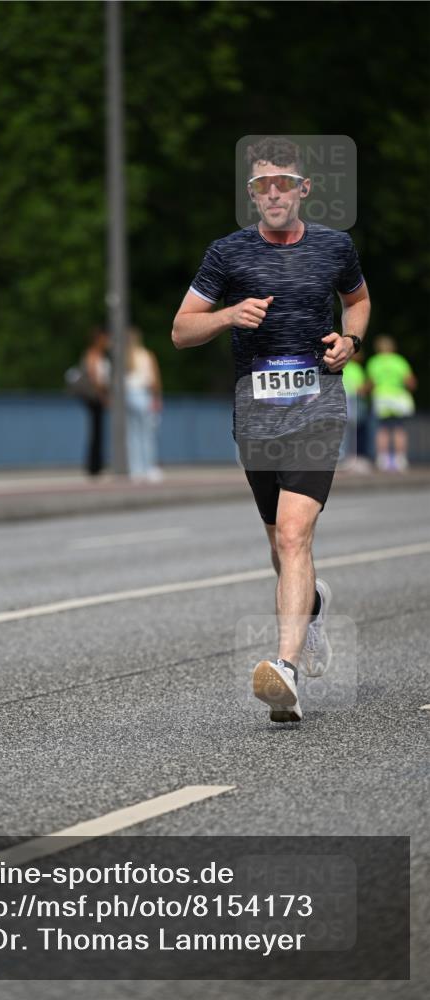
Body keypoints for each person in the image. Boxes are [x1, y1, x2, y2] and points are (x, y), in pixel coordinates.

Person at [172, 136, 370, 724]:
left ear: (303, 189)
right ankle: (311, 607)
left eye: (284, 182)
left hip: (318, 408)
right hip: (255, 415)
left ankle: (283, 669)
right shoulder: (227, 254)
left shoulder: (335, 246)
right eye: (263, 185)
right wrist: (229, 315)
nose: (274, 192)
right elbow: (181, 330)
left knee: (292, 535)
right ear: (252, 194)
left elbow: (357, 303)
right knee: (277, 547)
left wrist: (350, 342)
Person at [365, 336, 417, 472]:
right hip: (398, 396)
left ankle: (383, 459)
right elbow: (410, 382)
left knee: (382, 429)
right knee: (399, 428)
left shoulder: (374, 362)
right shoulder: (399, 361)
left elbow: (370, 383)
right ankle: (400, 460)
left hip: (382, 396)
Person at [125, 327, 163, 481]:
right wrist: (157, 398)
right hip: (143, 394)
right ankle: (149, 468)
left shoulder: (124, 357)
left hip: (128, 395)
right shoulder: (146, 355)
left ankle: (136, 469)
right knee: (147, 434)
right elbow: (154, 380)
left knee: (132, 435)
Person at [82, 327, 110, 476]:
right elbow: (94, 378)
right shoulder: (92, 355)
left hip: (99, 396)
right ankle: (94, 466)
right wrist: (103, 396)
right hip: (95, 398)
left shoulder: (101, 355)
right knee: (96, 431)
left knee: (99, 431)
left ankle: (97, 464)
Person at [339, 350, 371, 472]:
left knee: (344, 432)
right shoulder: (356, 368)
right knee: (355, 430)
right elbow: (360, 389)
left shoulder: (341, 367)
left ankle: (343, 458)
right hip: (353, 402)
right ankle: (354, 459)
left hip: (341, 400)